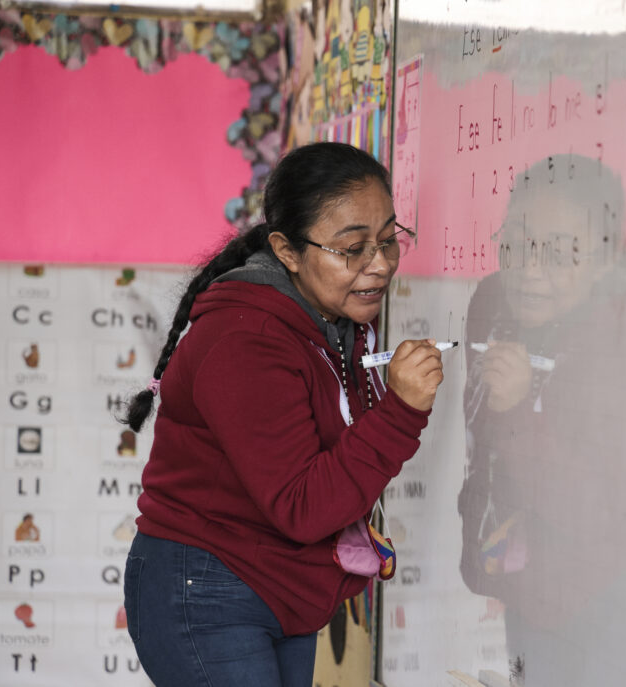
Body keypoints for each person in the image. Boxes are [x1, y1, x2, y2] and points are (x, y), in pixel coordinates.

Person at [120, 142, 444, 687]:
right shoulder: (246, 339)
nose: (381, 264)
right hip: (209, 589)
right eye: (353, 249)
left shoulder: (331, 322)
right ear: (287, 251)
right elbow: (303, 506)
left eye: (389, 240)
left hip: (277, 588)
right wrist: (402, 411)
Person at [457, 155, 626, 686]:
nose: (529, 270)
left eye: (561, 253)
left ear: (604, 259)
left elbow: (597, 507)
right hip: (538, 581)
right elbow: (485, 451)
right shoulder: (494, 303)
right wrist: (488, 551)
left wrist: (519, 408)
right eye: (517, 244)